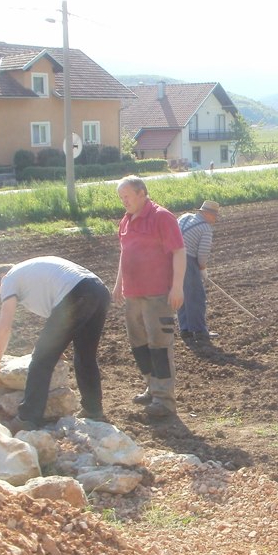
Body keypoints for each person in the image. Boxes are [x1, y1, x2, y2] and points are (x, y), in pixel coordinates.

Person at [0, 256, 111, 432]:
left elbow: (4, 326)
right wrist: (57, 347)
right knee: (85, 356)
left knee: (40, 359)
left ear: (2, 277)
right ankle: (93, 410)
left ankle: (27, 418)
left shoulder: (9, 278)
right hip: (98, 290)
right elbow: (62, 320)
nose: (2, 295)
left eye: (0, 291)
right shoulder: (34, 273)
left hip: (77, 293)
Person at [113, 175, 186, 419]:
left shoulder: (161, 217)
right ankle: (151, 386)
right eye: (121, 197)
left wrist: (177, 287)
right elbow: (125, 254)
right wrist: (118, 285)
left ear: (142, 193)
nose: (124, 201)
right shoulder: (125, 221)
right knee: (139, 345)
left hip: (157, 294)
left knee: (159, 345)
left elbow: (178, 251)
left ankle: (164, 400)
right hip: (132, 294)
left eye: (127, 196)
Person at [177, 200, 220, 347]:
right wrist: (202, 269)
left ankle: (186, 330)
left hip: (169, 258)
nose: (215, 219)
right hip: (187, 260)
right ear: (207, 214)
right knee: (196, 296)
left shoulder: (184, 217)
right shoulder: (205, 228)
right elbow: (202, 254)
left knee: (181, 294)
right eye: (214, 216)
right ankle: (200, 332)